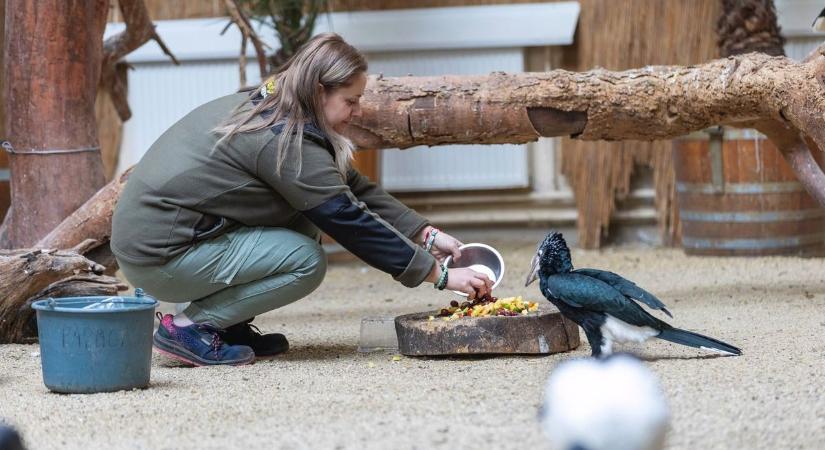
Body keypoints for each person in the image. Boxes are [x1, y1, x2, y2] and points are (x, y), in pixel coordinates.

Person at [111, 33, 493, 367]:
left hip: (173, 239)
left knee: (305, 223)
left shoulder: (275, 106)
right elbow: (348, 219)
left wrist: (426, 233)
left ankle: (227, 323)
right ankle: (188, 328)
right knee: (305, 261)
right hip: (162, 258)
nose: (357, 111)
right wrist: (439, 275)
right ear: (317, 92)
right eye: (351, 100)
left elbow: (351, 188)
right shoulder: (283, 138)